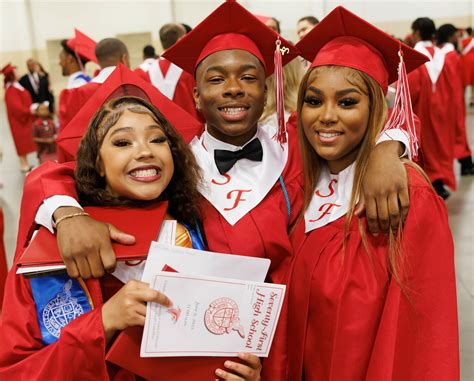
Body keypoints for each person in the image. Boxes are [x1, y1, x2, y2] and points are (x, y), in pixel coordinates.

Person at [0, 79, 261, 380]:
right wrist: (105, 322)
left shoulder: (196, 230)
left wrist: (240, 372)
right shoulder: (55, 247)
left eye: (157, 139)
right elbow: (15, 372)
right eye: (123, 142)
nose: (145, 152)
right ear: (96, 162)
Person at [285, 7, 459, 380]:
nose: (325, 116)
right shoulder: (296, 181)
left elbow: (417, 344)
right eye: (313, 101)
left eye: (348, 102)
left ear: (376, 109)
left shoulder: (405, 198)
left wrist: (389, 146)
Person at [58, 37, 130, 161]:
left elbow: (67, 138)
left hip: (92, 163)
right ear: (124, 59)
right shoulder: (135, 88)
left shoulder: (75, 93)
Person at [408, 17, 456, 199]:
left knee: (427, 146)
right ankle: (440, 181)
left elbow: (411, 90)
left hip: (423, 109)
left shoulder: (415, 57)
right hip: (444, 109)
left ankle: (431, 183)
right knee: (442, 145)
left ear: (417, 33)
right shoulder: (445, 55)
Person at [437, 24, 474, 175]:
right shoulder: (449, 54)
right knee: (458, 131)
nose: (458, 37)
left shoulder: (441, 53)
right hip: (453, 98)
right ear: (450, 36)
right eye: (455, 35)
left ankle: (465, 162)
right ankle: (465, 163)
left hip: (448, 97)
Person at [145, 23, 201, 120]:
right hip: (192, 130)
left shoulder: (146, 72)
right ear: (181, 39)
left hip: (160, 131)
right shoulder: (190, 69)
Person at [1, 63, 36, 172]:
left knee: (24, 142)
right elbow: (16, 108)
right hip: (19, 121)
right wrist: (29, 111)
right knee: (21, 143)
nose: (18, 72)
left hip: (23, 120)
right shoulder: (11, 90)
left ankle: (25, 163)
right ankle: (23, 164)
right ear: (11, 75)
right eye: (15, 71)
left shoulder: (15, 86)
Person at [460, 27, 474, 106]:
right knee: (473, 81)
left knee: (464, 81)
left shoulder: (463, 41)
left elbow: (461, 51)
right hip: (473, 61)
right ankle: (472, 99)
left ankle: (462, 98)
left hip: (465, 62)